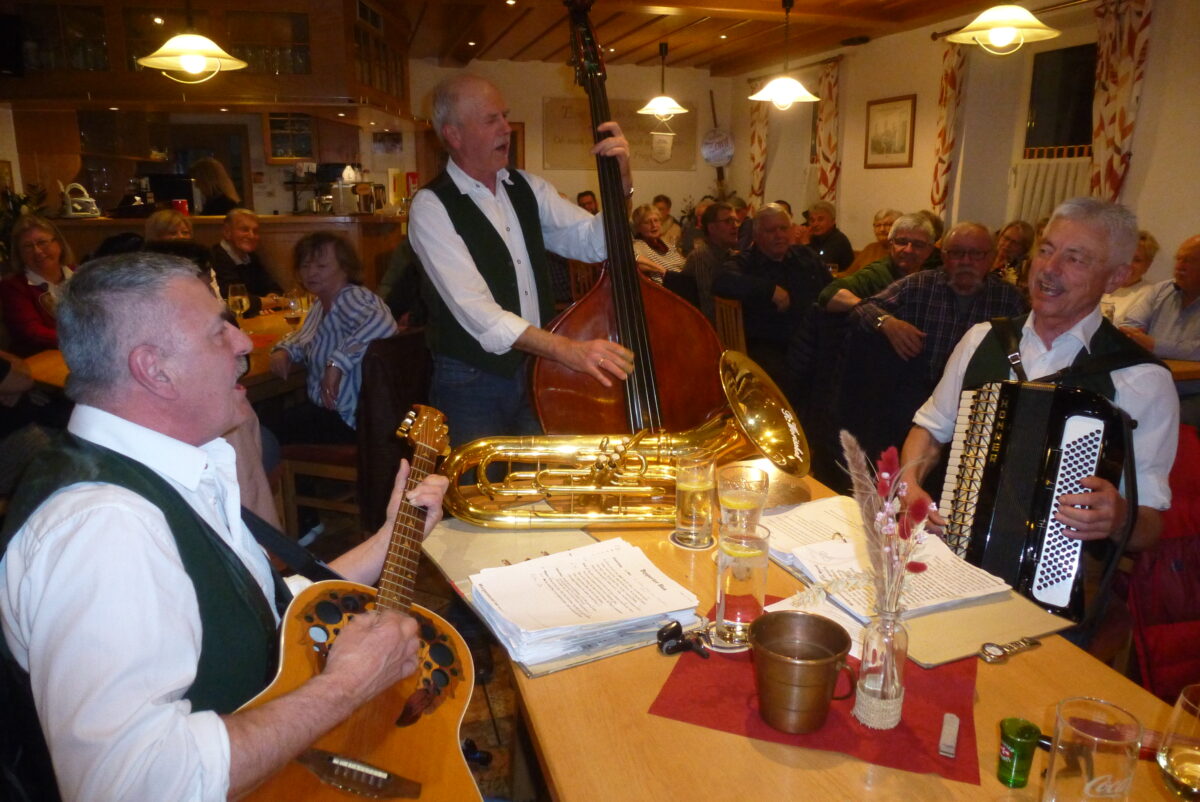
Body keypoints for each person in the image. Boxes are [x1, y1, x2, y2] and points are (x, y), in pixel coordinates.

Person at [0, 252, 448, 801]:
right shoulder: (104, 531)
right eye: (219, 332)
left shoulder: (168, 467)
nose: (242, 343)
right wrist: (347, 686)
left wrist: (390, 538)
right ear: (153, 368)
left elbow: (252, 608)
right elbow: (127, 786)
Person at [898, 199, 1178, 625]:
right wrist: (909, 483)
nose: (1049, 268)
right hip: (950, 565)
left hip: (1056, 595)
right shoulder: (983, 341)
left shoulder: (1139, 379)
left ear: (1117, 276)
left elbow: (1150, 526)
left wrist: (1120, 518)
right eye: (1046, 250)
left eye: (1075, 258)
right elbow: (931, 428)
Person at [408, 73, 634, 447]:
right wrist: (568, 349)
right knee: (477, 494)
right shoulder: (432, 207)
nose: (506, 128)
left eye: (505, 116)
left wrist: (621, 184)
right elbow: (478, 313)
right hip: (470, 380)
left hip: (533, 371)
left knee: (534, 488)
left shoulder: (527, 187)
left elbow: (595, 244)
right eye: (490, 120)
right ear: (454, 135)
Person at [851, 222, 1027, 381]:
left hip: (973, 397)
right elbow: (863, 308)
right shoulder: (919, 285)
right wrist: (886, 322)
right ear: (943, 256)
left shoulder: (1008, 299)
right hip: (916, 394)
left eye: (976, 254)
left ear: (992, 257)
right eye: (956, 253)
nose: (966, 261)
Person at [270, 231, 399, 442]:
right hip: (333, 412)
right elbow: (306, 337)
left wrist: (337, 363)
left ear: (346, 268)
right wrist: (284, 349)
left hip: (349, 418)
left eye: (321, 266)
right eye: (305, 266)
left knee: (263, 429)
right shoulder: (321, 303)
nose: (311, 273)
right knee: (269, 422)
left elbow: (384, 324)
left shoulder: (351, 297)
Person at [712, 203, 831, 385]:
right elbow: (721, 281)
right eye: (771, 230)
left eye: (783, 228)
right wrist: (769, 290)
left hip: (811, 339)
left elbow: (830, 286)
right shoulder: (746, 262)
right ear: (757, 235)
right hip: (770, 346)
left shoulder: (805, 256)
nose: (779, 236)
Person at [1120, 234, 1200, 428]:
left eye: (1189, 260)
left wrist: (1154, 344)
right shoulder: (1160, 291)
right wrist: (1136, 336)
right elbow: (1130, 326)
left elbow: (1197, 350)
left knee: (1161, 422)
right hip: (1150, 385)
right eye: (1179, 259)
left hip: (1191, 392)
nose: (1180, 265)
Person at [819, 213, 935, 312]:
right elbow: (828, 294)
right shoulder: (876, 274)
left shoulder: (932, 277)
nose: (908, 250)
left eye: (918, 244)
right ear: (891, 245)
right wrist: (878, 316)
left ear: (929, 250)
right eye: (902, 241)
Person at [0, 215, 76, 355]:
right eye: (28, 247)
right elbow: (32, 333)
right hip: (38, 360)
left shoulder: (81, 275)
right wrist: (82, 339)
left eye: (42, 242)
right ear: (20, 254)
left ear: (58, 244)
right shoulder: (13, 286)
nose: (37, 251)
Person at [210, 208, 283, 317]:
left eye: (255, 231)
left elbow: (275, 288)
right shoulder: (216, 257)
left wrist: (269, 300)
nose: (251, 236)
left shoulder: (250, 257)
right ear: (227, 232)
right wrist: (273, 302)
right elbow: (233, 301)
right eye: (244, 230)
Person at [680, 201, 739, 322]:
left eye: (736, 221)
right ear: (712, 228)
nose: (735, 226)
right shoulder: (700, 256)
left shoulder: (732, 256)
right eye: (728, 221)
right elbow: (708, 307)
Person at [1104, 230, 1158, 323]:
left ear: (1148, 265)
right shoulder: (1100, 286)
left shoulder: (1149, 295)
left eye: (1137, 260)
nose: (1128, 264)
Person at [631, 202, 685, 282]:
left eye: (656, 220)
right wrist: (662, 270)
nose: (653, 225)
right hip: (667, 289)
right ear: (638, 227)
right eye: (647, 222)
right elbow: (635, 260)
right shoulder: (638, 245)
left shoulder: (666, 244)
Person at [844, 208, 902, 276]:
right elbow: (849, 273)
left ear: (900, 227)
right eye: (878, 225)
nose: (882, 229)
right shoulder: (870, 248)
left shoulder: (904, 250)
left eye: (888, 225)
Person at [805, 200, 855, 273]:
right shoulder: (814, 237)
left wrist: (806, 243)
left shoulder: (838, 240)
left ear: (832, 221)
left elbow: (821, 268)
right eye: (812, 220)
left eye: (820, 219)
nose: (815, 224)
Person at [993, 219, 1035, 287]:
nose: (1007, 244)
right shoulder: (985, 257)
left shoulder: (1018, 273)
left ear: (1024, 249)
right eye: (1006, 238)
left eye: (1014, 243)